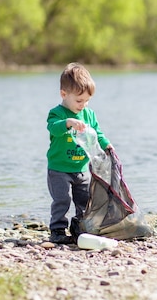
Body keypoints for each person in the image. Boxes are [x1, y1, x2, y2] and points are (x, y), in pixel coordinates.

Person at [46, 62, 113, 244]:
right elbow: (54, 129)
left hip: (82, 168)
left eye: (87, 101)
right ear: (64, 94)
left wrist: (106, 145)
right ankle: (58, 230)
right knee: (62, 200)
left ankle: (80, 228)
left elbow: (97, 133)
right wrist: (68, 122)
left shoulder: (89, 114)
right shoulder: (57, 113)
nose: (83, 105)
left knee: (84, 200)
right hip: (59, 168)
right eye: (79, 101)